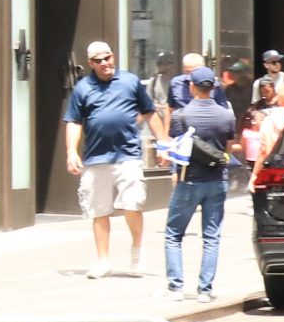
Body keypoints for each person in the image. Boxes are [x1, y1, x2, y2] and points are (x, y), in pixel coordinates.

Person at [64, 38, 156, 278]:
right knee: (99, 210)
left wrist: (164, 143)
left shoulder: (130, 81)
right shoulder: (83, 88)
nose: (104, 63)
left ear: (113, 56)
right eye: (98, 60)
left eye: (107, 58)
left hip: (128, 154)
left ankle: (137, 250)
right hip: (96, 157)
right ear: (91, 63)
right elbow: (74, 121)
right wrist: (71, 151)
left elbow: (149, 111)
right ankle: (103, 260)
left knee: (133, 205)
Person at [164, 66, 238, 305]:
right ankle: (204, 290)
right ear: (213, 87)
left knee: (173, 234)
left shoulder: (181, 116)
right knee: (211, 236)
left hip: (189, 180)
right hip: (217, 180)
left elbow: (176, 148)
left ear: (191, 87)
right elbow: (227, 148)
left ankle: (176, 287)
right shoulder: (226, 116)